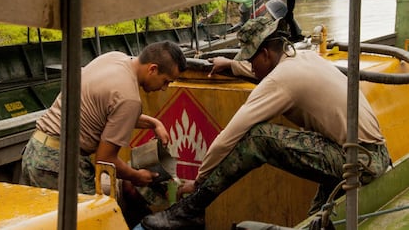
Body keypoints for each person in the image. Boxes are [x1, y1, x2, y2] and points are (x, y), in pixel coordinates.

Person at [140, 17, 391, 229]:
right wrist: (234, 66)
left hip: (357, 163)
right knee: (317, 217)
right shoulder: (303, 58)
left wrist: (200, 181)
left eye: (251, 60)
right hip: (372, 155)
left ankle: (189, 211)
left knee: (258, 138)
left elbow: (231, 135)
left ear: (266, 54)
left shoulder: (282, 80)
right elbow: (267, 72)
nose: (250, 65)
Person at [20, 40, 187, 226]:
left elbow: (111, 111)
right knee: (89, 223)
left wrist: (154, 123)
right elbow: (105, 160)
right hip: (58, 165)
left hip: (35, 150)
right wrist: (136, 176)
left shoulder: (113, 58)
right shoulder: (130, 99)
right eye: (166, 81)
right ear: (153, 69)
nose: (164, 88)